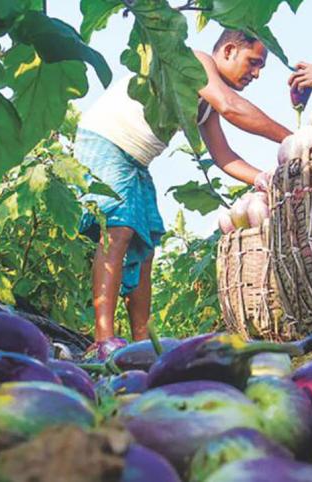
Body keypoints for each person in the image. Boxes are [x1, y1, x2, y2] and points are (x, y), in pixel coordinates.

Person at [76, 29, 291, 345]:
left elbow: (224, 156)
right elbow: (231, 106)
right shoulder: (197, 62)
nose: (256, 74)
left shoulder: (207, 106)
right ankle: (103, 339)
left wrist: (266, 179)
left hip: (136, 160)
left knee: (145, 243)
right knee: (118, 232)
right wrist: (291, 139)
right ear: (229, 50)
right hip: (106, 141)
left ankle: (140, 343)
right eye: (253, 62)